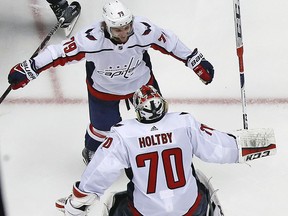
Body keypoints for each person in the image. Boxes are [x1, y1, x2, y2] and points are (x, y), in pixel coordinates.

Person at [7, 0, 214, 164]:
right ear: (107, 26)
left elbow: (170, 41)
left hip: (141, 85)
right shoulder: (91, 39)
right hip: (104, 90)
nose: (124, 33)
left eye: (126, 27)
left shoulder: (143, 29)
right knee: (102, 131)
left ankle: (155, 151)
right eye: (117, 30)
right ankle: (92, 150)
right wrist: (30, 67)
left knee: (157, 122)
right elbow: (58, 52)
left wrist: (194, 60)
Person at [55, 85, 276, 216]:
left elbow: (99, 172)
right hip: (190, 210)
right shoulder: (184, 123)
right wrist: (258, 142)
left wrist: (76, 202)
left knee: (114, 203)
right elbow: (218, 148)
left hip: (145, 212)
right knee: (200, 184)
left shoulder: (123, 133)